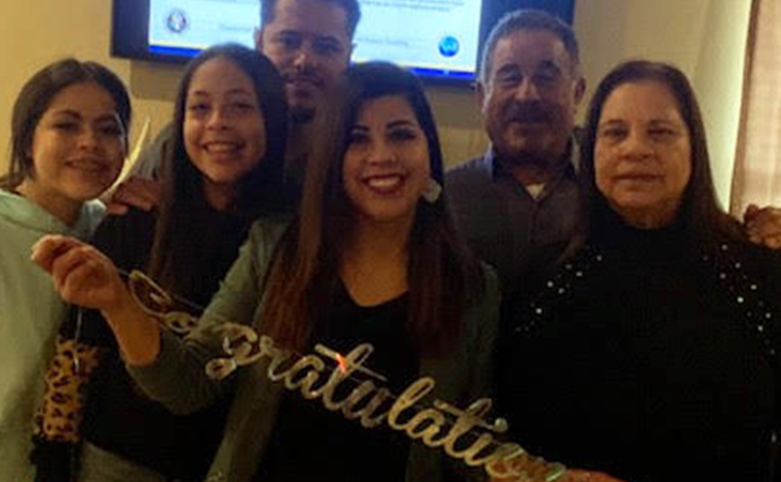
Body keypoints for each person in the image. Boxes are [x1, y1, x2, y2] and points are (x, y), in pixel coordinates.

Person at [33, 62, 498, 482]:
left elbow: (463, 453)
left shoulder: (473, 287)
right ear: (331, 161)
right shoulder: (275, 248)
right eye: (357, 139)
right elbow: (188, 383)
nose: (382, 156)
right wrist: (118, 302)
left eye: (401, 134)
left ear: (429, 153)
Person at [497, 61, 781, 482]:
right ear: (590, 152)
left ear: (694, 147)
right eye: (615, 132)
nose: (635, 149)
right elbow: (506, 434)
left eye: (660, 132)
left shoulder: (767, 273)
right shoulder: (545, 280)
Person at [31, 45, 288, 482]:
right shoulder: (139, 214)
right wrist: (54, 453)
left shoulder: (288, 235)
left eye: (241, 106)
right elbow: (79, 345)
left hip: (222, 464)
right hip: (116, 458)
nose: (217, 123)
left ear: (272, 118)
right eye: (199, 107)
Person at [446, 9, 781, 293]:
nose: (527, 94)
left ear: (577, 92)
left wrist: (764, 236)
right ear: (481, 95)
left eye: (547, 76)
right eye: (509, 76)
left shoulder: (623, 189)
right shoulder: (442, 200)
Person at [0, 59, 131, 482]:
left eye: (108, 129)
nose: (90, 143)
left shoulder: (108, 235)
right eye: (66, 125)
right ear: (27, 140)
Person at [120, 0, 359, 209]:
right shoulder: (190, 139)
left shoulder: (358, 152)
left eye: (326, 47)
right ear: (258, 42)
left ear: (349, 55)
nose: (304, 61)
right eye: (289, 42)